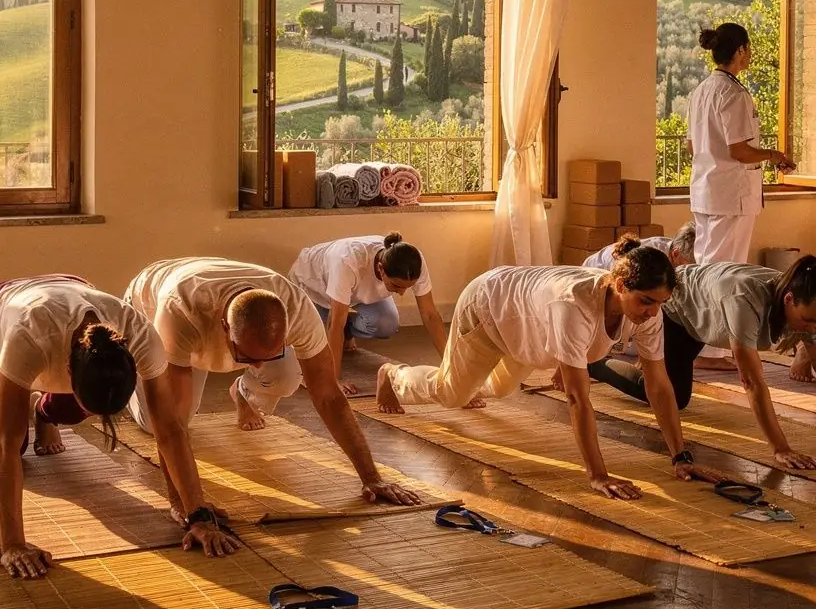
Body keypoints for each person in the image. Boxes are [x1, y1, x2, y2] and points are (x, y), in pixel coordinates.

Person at [376, 244, 699, 501]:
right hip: (488, 308)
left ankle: (468, 378)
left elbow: (658, 385)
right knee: (452, 394)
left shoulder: (648, 313)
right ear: (619, 285)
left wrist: (680, 456)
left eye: (660, 303)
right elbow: (577, 399)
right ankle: (393, 375)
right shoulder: (574, 306)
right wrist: (598, 475)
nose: (653, 311)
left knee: (501, 390)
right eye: (646, 301)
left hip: (526, 329)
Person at [124, 256, 420, 507]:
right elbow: (170, 424)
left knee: (287, 376)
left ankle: (241, 393)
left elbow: (329, 396)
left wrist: (372, 477)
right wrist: (191, 510)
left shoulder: (297, 309)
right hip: (151, 303)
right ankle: (130, 381)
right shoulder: (180, 311)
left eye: (268, 354)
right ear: (224, 329)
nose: (258, 366)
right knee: (161, 420)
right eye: (248, 358)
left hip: (210, 290)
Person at [0, 274, 240, 579]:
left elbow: (169, 428)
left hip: (73, 287)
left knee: (73, 412)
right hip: (11, 300)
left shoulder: (140, 336)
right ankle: (47, 410)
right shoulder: (28, 339)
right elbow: (5, 444)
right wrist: (12, 544)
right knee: (15, 444)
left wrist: (194, 512)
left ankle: (46, 413)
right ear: (67, 371)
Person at [590, 255, 816, 473]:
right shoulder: (745, 301)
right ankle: (595, 363)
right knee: (669, 393)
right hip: (676, 311)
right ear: (788, 299)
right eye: (807, 321)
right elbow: (752, 382)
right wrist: (781, 448)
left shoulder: (807, 304)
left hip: (701, 318)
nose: (812, 328)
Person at [686, 22, 795, 368]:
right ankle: (710, 349)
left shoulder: (701, 91)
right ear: (740, 51)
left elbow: (692, 145)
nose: (749, 54)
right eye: (747, 49)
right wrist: (773, 155)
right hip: (730, 195)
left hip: (707, 188)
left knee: (706, 266)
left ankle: (705, 345)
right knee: (723, 271)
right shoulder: (734, 95)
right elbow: (739, 151)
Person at [289, 233, 448, 396]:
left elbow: (430, 314)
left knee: (386, 323)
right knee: (315, 347)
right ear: (380, 268)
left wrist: (450, 366)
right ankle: (335, 327)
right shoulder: (347, 262)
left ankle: (347, 330)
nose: (401, 293)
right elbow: (335, 324)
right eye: (396, 286)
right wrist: (334, 380)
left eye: (407, 287)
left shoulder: (414, 262)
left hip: (350, 292)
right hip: (312, 288)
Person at [583, 221, 696, 271]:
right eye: (689, 267)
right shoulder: (650, 258)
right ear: (675, 254)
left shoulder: (678, 247)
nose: (690, 271)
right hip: (595, 273)